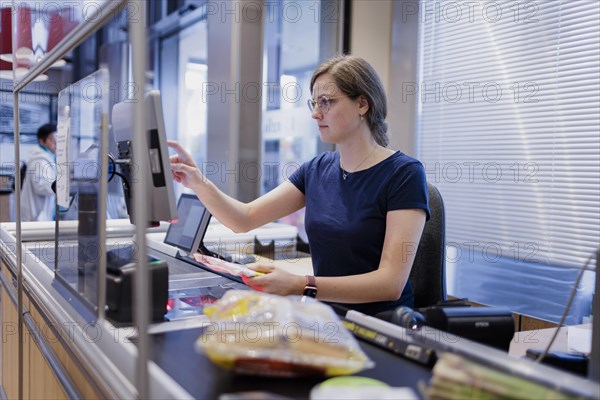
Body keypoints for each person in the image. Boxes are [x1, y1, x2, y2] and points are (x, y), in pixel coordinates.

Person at [169, 55, 430, 315]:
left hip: (379, 324)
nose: (316, 113)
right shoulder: (317, 170)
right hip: (326, 316)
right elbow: (243, 218)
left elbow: (390, 283)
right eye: (314, 103)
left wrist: (303, 285)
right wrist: (197, 181)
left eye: (327, 102)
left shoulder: (404, 174)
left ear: (362, 104)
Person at [21, 123, 57, 222]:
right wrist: (60, 185)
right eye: (53, 140)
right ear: (41, 141)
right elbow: (40, 187)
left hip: (39, 214)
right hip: (36, 216)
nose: (56, 143)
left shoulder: (46, 157)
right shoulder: (39, 160)